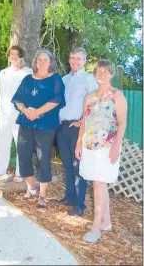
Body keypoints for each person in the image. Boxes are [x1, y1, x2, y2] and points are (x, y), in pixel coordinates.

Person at [75, 60, 127, 243]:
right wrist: (78, 143)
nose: (101, 74)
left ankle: (96, 228)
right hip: (89, 146)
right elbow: (84, 121)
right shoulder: (89, 96)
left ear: (111, 74)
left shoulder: (117, 96)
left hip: (108, 147)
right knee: (99, 183)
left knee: (99, 184)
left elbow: (122, 123)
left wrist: (115, 148)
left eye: (105, 71)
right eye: (98, 71)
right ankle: (106, 221)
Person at [11, 49, 65, 208]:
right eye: (39, 59)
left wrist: (37, 112)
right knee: (23, 155)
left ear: (51, 62)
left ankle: (42, 195)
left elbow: (57, 100)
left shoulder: (55, 79)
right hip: (26, 122)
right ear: (35, 62)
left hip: (46, 125)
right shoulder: (27, 79)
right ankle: (31, 188)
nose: (42, 62)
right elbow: (18, 99)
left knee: (43, 158)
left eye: (45, 60)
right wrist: (26, 111)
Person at [52, 47, 98, 216]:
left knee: (78, 165)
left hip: (78, 128)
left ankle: (80, 205)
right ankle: (69, 198)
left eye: (79, 59)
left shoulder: (89, 80)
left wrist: (81, 121)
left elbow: (95, 103)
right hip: (62, 126)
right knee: (67, 165)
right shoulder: (64, 79)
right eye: (72, 58)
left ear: (85, 61)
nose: (75, 61)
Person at [0, 46, 32, 183]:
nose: (13, 56)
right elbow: (2, 93)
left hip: (19, 113)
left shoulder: (28, 73)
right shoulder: (3, 72)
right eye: (11, 54)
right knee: (2, 142)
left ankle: (20, 173)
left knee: (20, 144)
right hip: (3, 114)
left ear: (21, 56)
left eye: (16, 54)